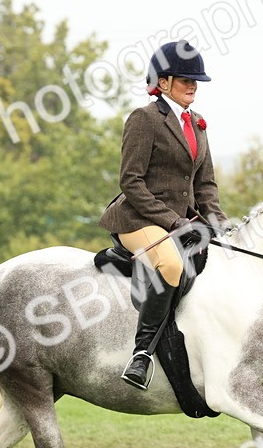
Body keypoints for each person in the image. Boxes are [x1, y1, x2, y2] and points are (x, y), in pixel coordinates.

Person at [98, 40, 229, 390]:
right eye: (185, 78)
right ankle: (141, 354)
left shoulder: (197, 124)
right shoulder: (145, 119)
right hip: (137, 218)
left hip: (180, 223)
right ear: (164, 82)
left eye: (195, 79)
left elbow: (205, 184)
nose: (193, 85)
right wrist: (173, 222)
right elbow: (131, 181)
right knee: (171, 265)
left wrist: (218, 220)